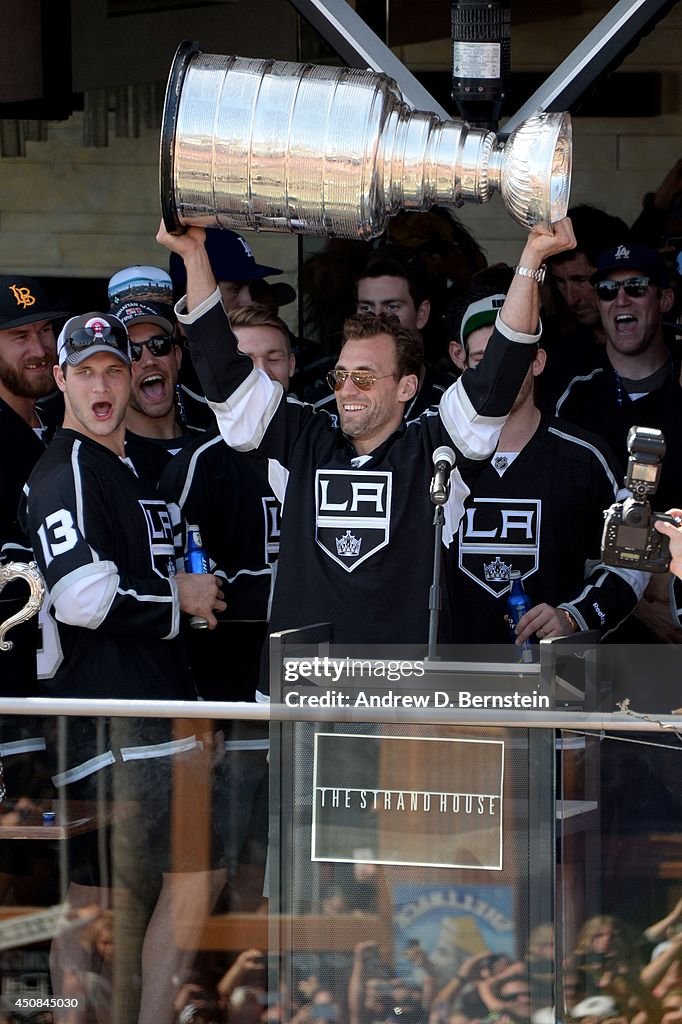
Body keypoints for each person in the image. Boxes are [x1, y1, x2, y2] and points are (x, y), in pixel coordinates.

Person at [158, 216, 577, 668]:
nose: (347, 389)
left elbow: (499, 369)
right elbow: (223, 370)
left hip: (403, 701)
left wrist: (533, 257)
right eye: (340, 376)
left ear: (406, 387)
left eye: (364, 377)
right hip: (304, 693)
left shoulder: (436, 449)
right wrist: (193, 256)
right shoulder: (301, 439)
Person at [19, 311, 226, 1024]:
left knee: (91, 907)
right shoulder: (73, 464)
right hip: (123, 723)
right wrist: (182, 594)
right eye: (86, 372)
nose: (103, 384)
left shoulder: (110, 464)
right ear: (60, 380)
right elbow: (81, 597)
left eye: (114, 369)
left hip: (111, 723)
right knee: (195, 878)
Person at [445, 288, 644, 646]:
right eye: (483, 361)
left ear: (538, 361)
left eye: (512, 360)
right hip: (447, 678)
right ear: (460, 361)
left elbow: (632, 557)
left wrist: (575, 616)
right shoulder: (433, 453)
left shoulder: (584, 457)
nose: (496, 376)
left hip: (555, 684)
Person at [0, 274, 67, 696]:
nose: (40, 350)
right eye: (20, 336)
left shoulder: (62, 423)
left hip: (61, 676)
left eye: (45, 331)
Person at [314, 248, 454, 420]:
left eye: (392, 307)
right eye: (366, 308)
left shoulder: (451, 405)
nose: (378, 318)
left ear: (422, 313)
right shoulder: (324, 411)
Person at [108, 297, 202, 486]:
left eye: (159, 345)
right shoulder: (109, 462)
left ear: (177, 356)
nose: (149, 360)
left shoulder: (212, 446)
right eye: (132, 352)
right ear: (113, 372)